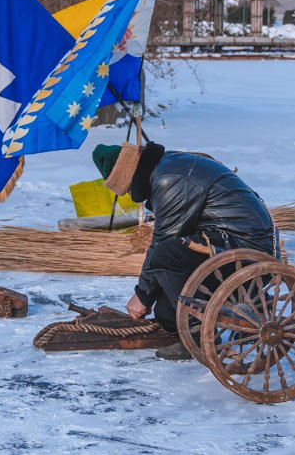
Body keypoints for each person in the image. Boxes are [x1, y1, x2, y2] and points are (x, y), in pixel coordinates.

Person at [92, 141, 280, 360]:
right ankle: (185, 329)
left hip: (242, 244)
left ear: (129, 176)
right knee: (165, 313)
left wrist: (142, 295)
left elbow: (164, 240)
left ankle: (198, 338)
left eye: (126, 188)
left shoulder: (169, 178)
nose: (129, 195)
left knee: (166, 253)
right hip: (221, 241)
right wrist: (149, 297)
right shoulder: (165, 166)